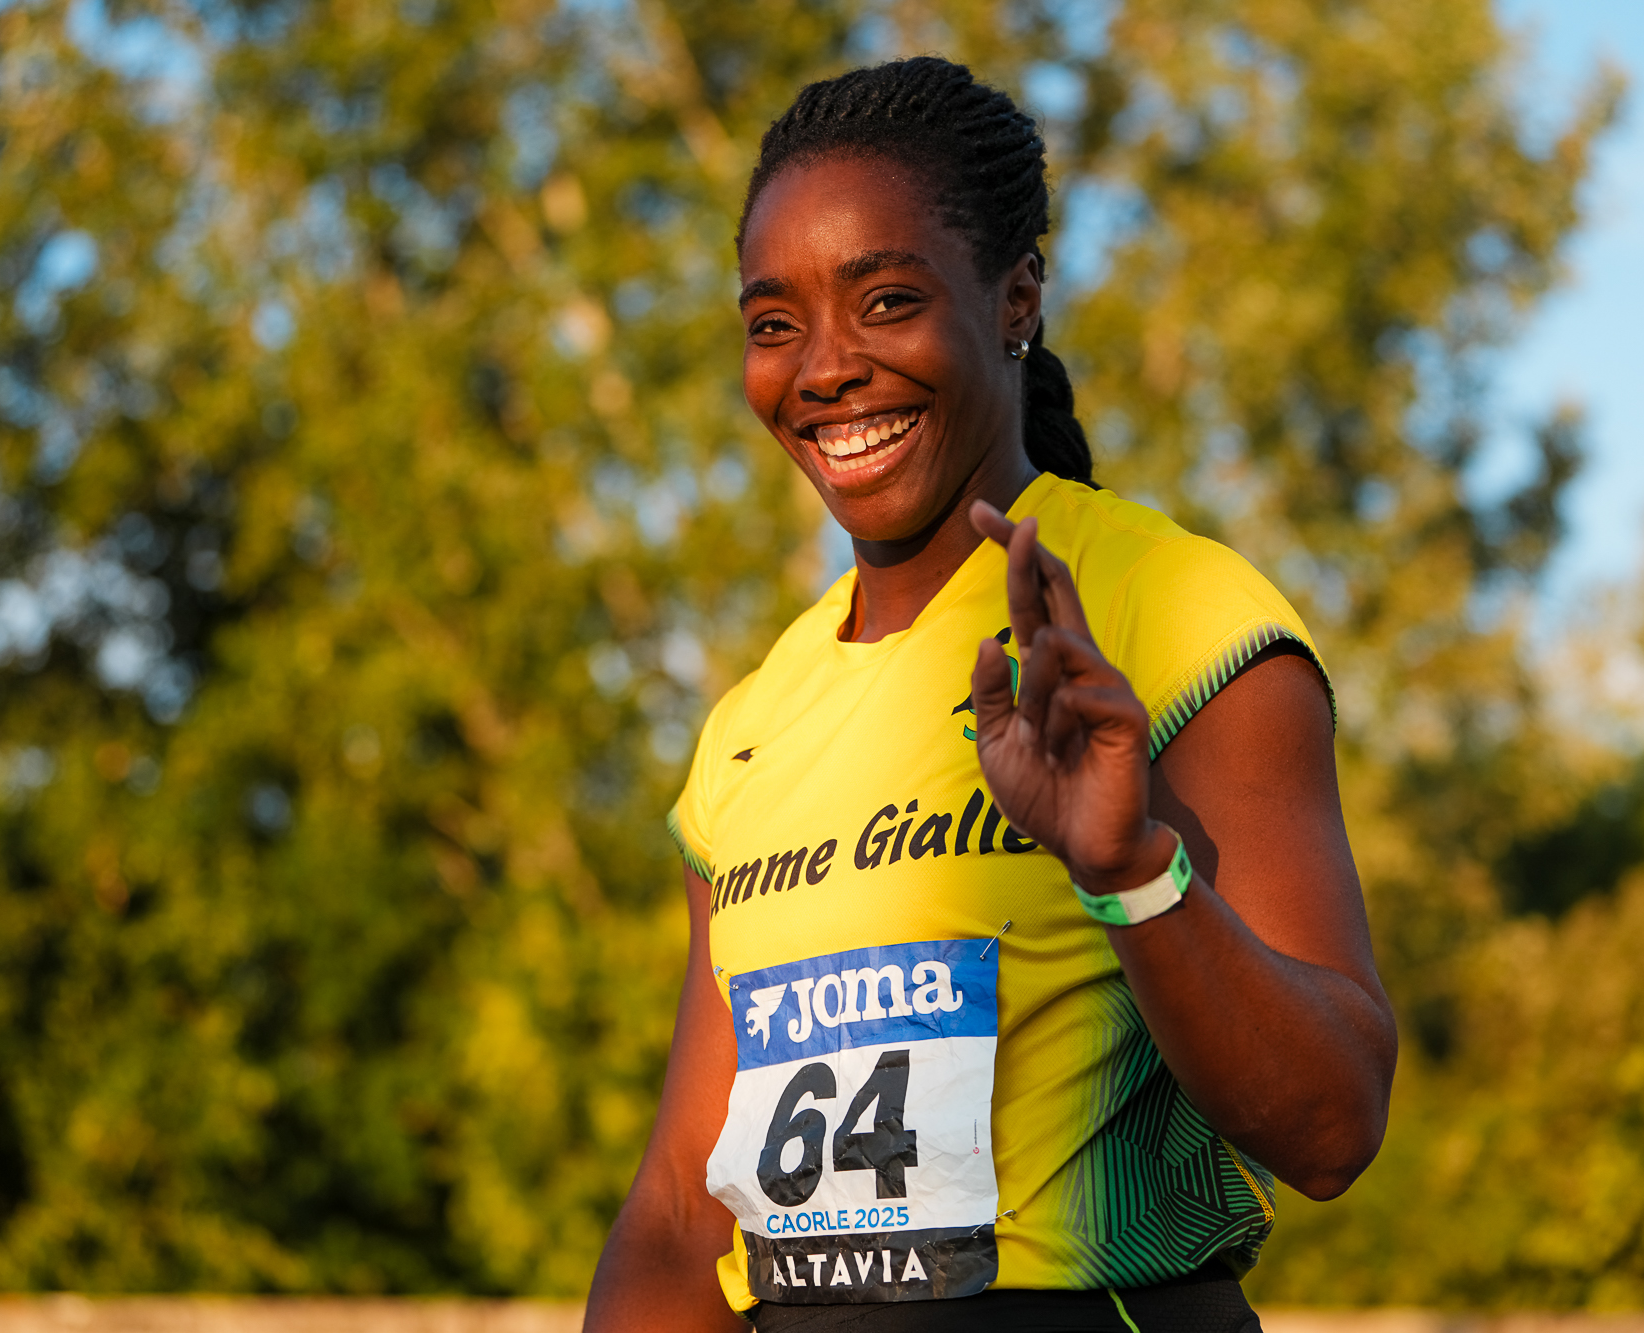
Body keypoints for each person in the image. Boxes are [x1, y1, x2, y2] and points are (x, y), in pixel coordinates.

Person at [584, 56, 1396, 1333]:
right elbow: (686, 1213)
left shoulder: (1169, 612)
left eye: (886, 301)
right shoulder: (750, 724)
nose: (823, 368)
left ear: (1016, 295)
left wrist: (1124, 868)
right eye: (773, 323)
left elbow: (1333, 1124)